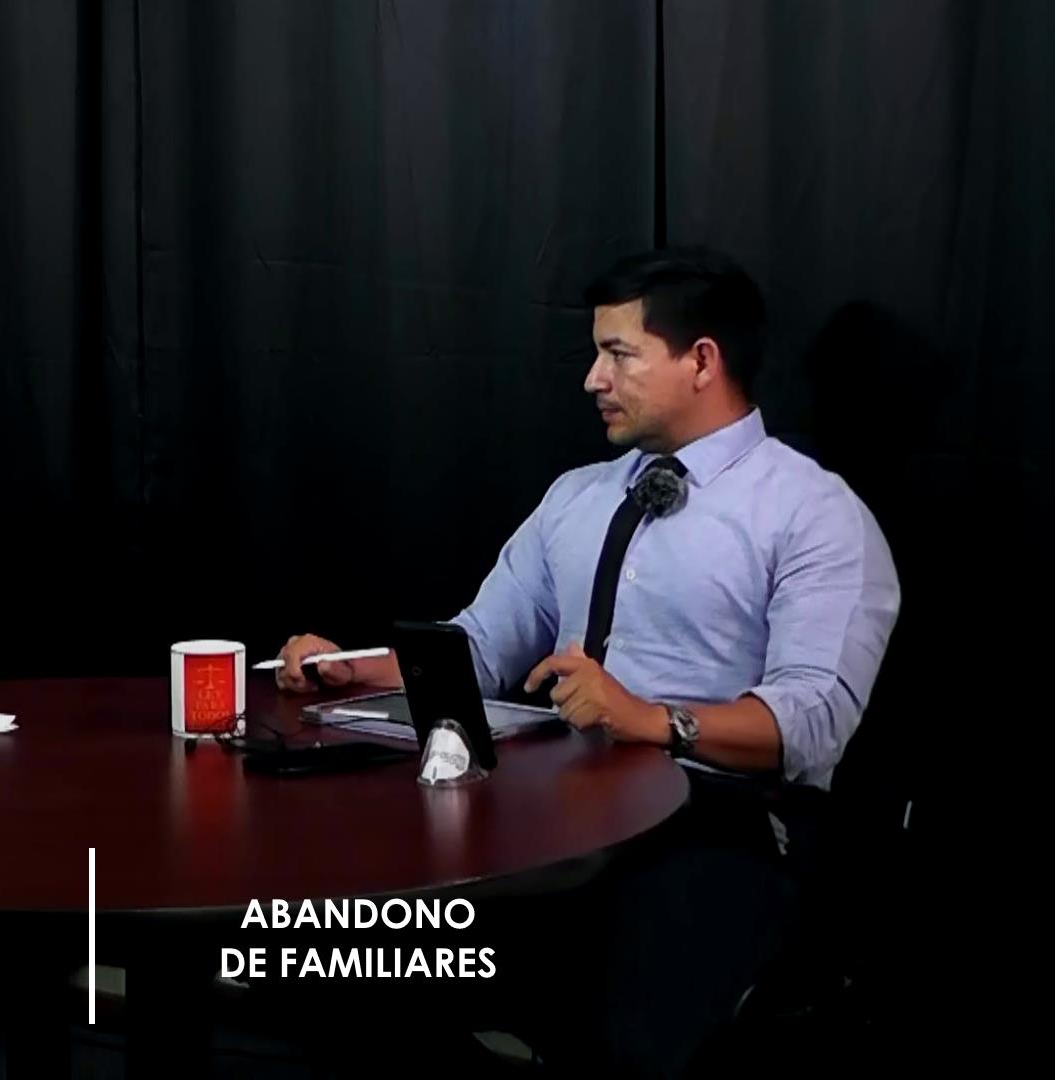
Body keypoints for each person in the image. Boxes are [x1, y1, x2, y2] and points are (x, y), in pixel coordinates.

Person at [274, 247, 900, 1076]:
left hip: (717, 826)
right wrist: (353, 670)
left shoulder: (814, 514)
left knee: (624, 1035)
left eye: (618, 354)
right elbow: (478, 647)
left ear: (701, 360)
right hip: (552, 809)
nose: (592, 380)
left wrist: (648, 720)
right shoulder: (577, 496)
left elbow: (811, 723)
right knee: (337, 961)